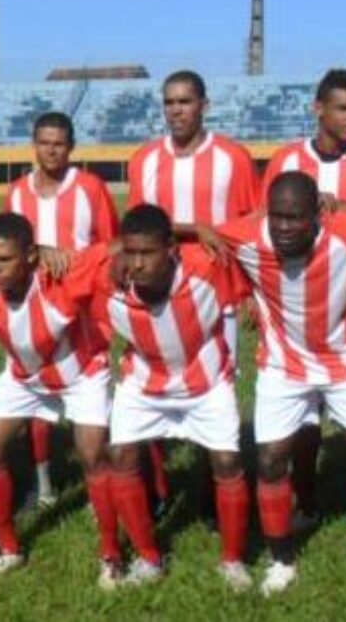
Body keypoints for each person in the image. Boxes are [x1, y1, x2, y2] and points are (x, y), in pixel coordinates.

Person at [217, 173, 346, 601]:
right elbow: (184, 233)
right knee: (268, 460)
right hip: (284, 363)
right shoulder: (246, 236)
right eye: (277, 216)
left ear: (318, 215)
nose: (284, 227)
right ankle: (282, 561)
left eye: (296, 218)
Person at [0, 212, 120, 585]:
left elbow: (115, 247)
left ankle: (111, 554)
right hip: (23, 377)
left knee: (93, 454)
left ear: (30, 257)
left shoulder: (63, 277)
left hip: (81, 375)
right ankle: (9, 548)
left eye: (5, 260)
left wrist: (188, 230)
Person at [260, 68, 346, 526]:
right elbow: (265, 227)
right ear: (317, 108)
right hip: (293, 300)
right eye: (343, 108)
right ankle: (306, 498)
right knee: (302, 415)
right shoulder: (285, 161)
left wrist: (343, 207)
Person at [95, 204, 254, 590]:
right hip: (144, 382)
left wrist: (199, 229)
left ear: (172, 248)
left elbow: (256, 237)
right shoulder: (107, 278)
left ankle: (233, 561)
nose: (137, 264)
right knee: (121, 456)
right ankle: (149, 558)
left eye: (147, 253)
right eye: (130, 252)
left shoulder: (209, 266)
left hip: (207, 382)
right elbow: (62, 258)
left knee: (228, 462)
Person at [126, 69, 259, 519]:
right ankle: (159, 488)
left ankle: (207, 490)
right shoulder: (143, 160)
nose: (176, 110)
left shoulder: (233, 158)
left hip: (215, 292)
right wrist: (190, 229)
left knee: (214, 391)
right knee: (148, 385)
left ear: (205, 104)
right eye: (169, 102)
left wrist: (250, 291)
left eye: (185, 101)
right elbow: (142, 226)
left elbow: (247, 225)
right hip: (156, 291)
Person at [4, 111, 119, 510]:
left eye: (58, 143)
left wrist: (75, 262)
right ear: (33, 145)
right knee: (37, 395)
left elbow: (110, 244)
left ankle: (97, 486)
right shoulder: (18, 192)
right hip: (33, 309)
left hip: (83, 309)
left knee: (88, 397)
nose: (50, 150)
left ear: (70, 147)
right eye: (43, 142)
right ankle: (44, 483)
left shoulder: (90, 188)